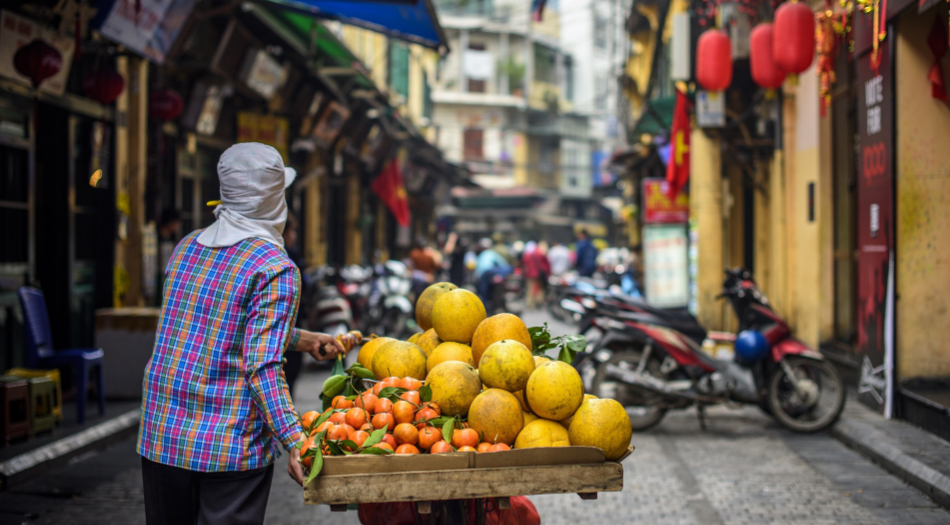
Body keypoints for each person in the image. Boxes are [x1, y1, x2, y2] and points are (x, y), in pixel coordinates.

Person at [138, 143, 345, 525]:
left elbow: (213, 325)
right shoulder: (275, 268)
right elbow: (261, 364)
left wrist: (301, 338)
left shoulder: (187, 247)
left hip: (163, 434)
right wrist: (296, 440)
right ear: (275, 201)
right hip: (227, 444)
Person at [281, 214, 304, 397]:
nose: (294, 235)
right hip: (291, 321)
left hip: (292, 327)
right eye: (292, 231)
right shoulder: (283, 261)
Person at [474, 238, 512, 305]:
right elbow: (503, 264)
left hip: (483, 275)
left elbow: (477, 270)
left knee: (483, 293)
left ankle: (485, 307)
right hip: (490, 272)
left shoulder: (480, 255)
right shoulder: (491, 253)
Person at [521, 241, 550, 309]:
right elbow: (546, 264)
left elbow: (523, 262)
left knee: (530, 289)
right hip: (539, 274)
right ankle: (538, 301)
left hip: (529, 274)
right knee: (540, 288)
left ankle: (530, 303)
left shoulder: (527, 255)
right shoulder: (540, 254)